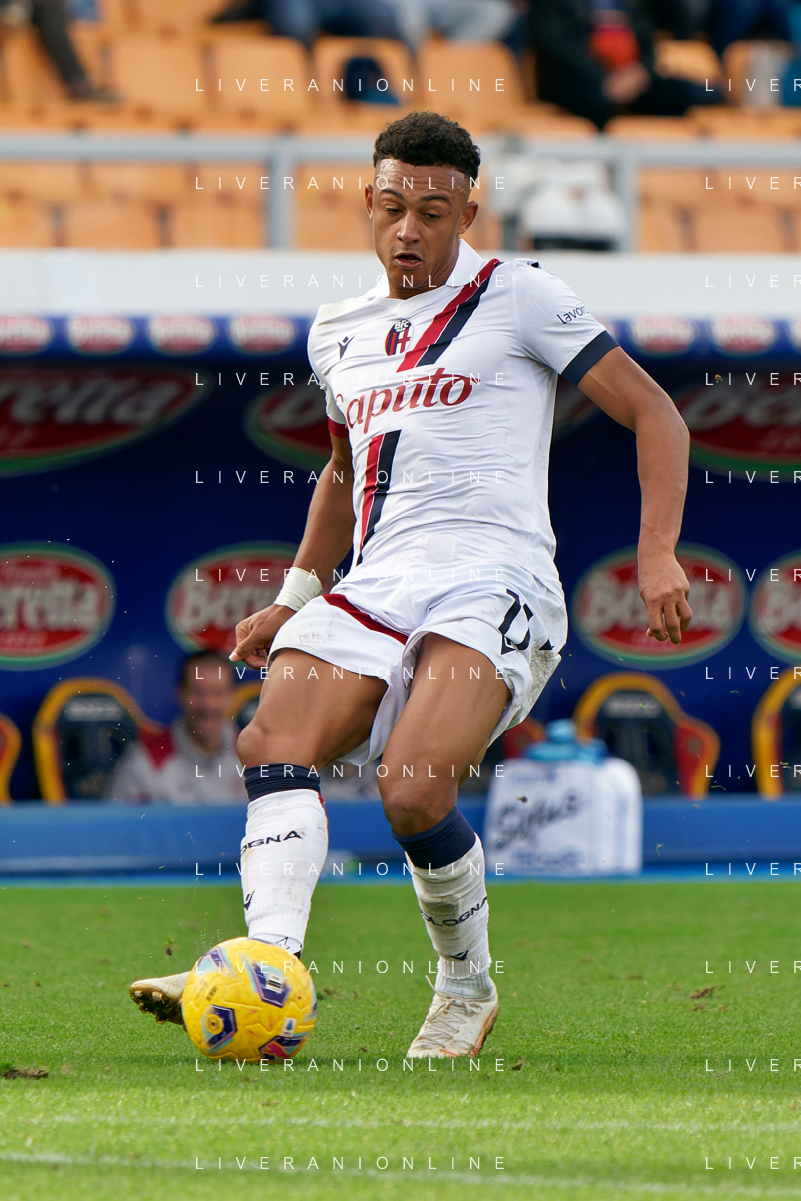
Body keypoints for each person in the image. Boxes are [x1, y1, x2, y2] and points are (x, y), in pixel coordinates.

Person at [129, 110, 692, 1057]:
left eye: (432, 212)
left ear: (466, 213)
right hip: (378, 581)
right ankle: (266, 964)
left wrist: (657, 551)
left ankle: (465, 986)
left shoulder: (518, 294)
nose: (408, 229)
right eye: (392, 207)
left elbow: (655, 411)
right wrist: (296, 595)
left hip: (495, 575)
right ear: (369, 202)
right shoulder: (337, 329)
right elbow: (344, 470)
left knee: (413, 788)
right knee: (272, 735)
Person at [529, 0, 722, 130]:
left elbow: (648, 40)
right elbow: (555, 46)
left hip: (632, 78)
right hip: (576, 81)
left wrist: (642, 71)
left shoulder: (630, 4)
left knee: (700, 93)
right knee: (595, 100)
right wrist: (604, 79)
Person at [107, 652, 244, 804]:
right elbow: (117, 818)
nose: (207, 704)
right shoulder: (145, 761)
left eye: (217, 693)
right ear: (180, 693)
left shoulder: (254, 756)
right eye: (197, 692)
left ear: (232, 696)